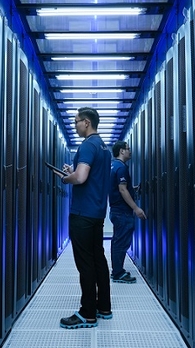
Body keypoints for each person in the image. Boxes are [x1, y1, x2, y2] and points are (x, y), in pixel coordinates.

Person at [50, 107, 112, 329]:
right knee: (99, 260)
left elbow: (82, 177)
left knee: (85, 263)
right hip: (96, 213)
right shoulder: (104, 148)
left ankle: (87, 313)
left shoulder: (87, 145)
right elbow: (91, 175)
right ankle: (104, 307)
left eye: (76, 122)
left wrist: (67, 178)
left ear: (86, 122)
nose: (75, 125)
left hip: (82, 214)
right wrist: (74, 170)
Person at [108, 141, 146, 283]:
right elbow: (122, 189)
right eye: (128, 149)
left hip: (116, 210)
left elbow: (121, 188)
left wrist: (132, 188)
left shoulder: (113, 166)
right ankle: (118, 273)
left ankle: (117, 271)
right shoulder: (121, 168)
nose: (130, 151)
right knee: (121, 242)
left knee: (118, 241)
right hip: (122, 211)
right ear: (121, 151)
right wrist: (136, 208)